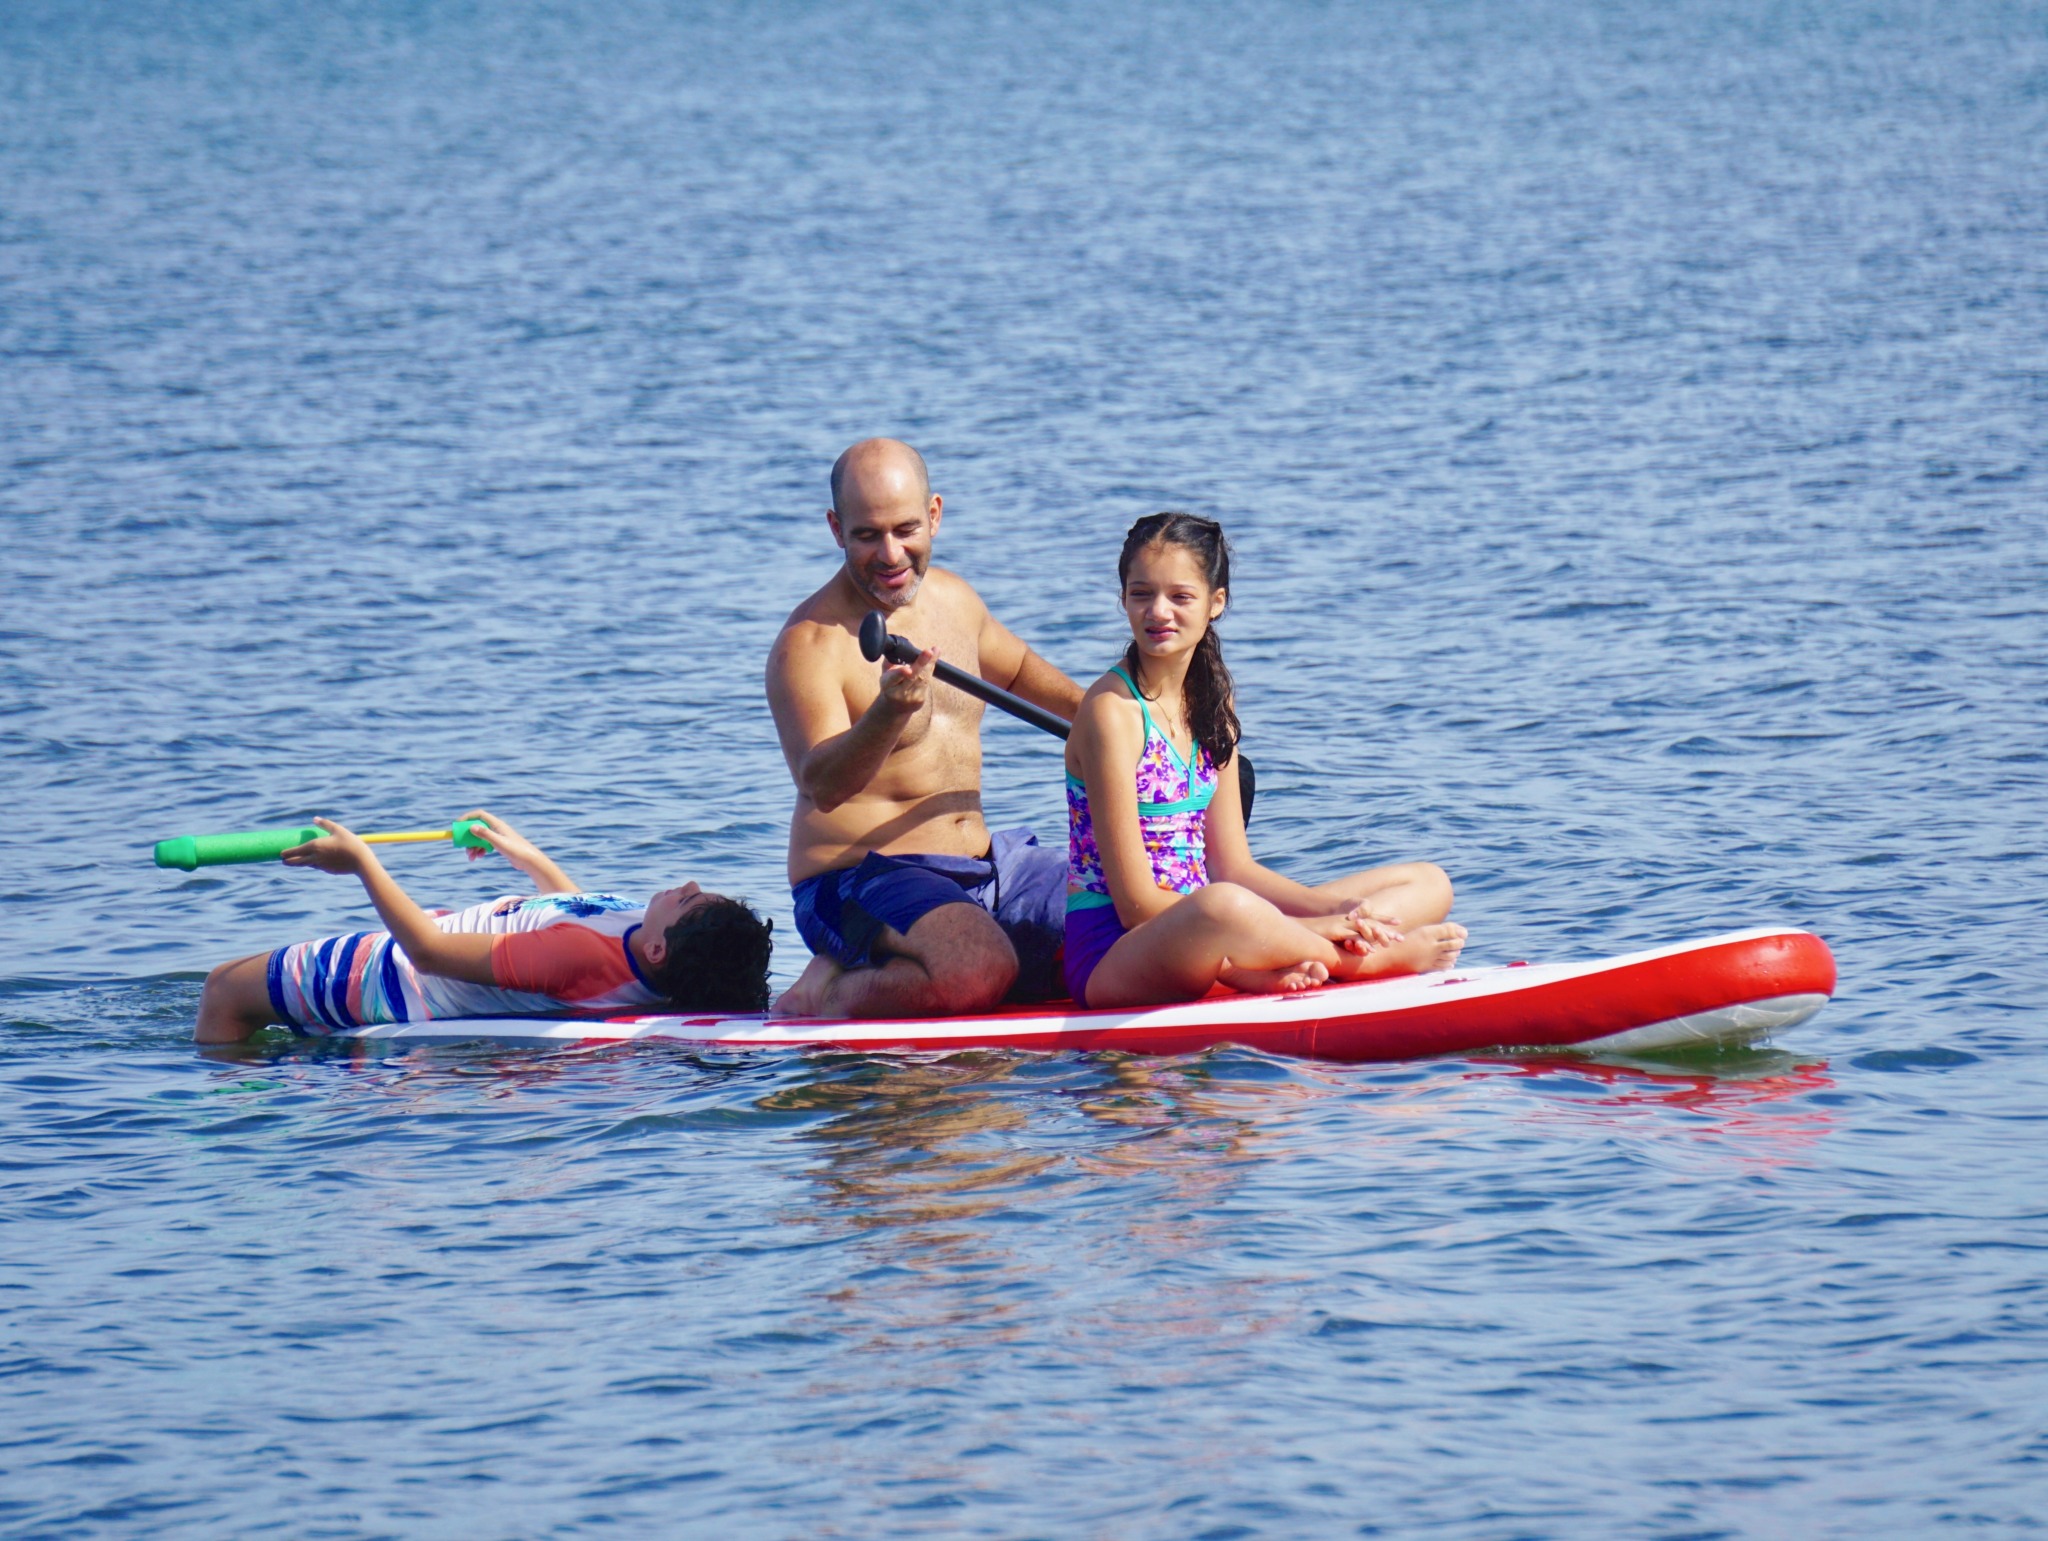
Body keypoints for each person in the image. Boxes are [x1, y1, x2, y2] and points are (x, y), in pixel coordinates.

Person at [1063, 513, 1467, 1009]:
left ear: (1217, 603)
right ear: (1122, 597)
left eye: (1180, 596)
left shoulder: (1211, 703)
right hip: (1116, 953)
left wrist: (1345, 911)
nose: (1158, 612)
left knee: (1427, 883)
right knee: (1222, 906)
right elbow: (1135, 904)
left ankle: (1256, 962)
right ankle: (1361, 962)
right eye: (1141, 593)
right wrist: (1312, 926)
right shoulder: (1111, 713)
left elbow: (1233, 866)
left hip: (1212, 926)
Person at [766, 438, 1084, 1018]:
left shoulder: (956, 601)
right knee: (978, 969)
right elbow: (824, 786)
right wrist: (889, 714)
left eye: (906, 529)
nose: (890, 554)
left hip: (988, 868)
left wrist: (1138, 722)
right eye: (867, 535)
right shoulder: (807, 645)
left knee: (1116, 925)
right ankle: (828, 991)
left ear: (934, 514)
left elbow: (1021, 675)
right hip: (856, 881)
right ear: (836, 530)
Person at [193, 810, 774, 1042]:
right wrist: (527, 856)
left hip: (383, 977)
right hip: (412, 957)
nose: (690, 886)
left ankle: (230, 1107)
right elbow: (577, 910)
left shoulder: (575, 959)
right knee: (232, 988)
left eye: (690, 903)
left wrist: (360, 862)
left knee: (223, 990)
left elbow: (426, 951)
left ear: (655, 949)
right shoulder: (639, 940)